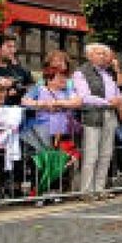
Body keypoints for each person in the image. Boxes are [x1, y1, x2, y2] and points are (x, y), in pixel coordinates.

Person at [73, 43, 122, 199]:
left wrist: (118, 100)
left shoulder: (108, 73)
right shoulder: (81, 72)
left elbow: (117, 92)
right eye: (98, 53)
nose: (102, 56)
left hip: (109, 115)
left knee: (106, 154)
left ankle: (99, 188)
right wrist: (109, 102)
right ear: (89, 55)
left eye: (104, 53)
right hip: (92, 116)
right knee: (91, 155)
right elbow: (84, 96)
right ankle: (86, 191)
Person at [22, 65, 83, 193]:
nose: (64, 80)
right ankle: (38, 191)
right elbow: (25, 101)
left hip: (62, 132)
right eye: (60, 78)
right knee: (42, 163)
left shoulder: (67, 91)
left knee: (60, 162)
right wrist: (43, 104)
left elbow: (77, 102)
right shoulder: (38, 89)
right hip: (43, 132)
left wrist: (57, 103)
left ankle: (55, 190)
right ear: (49, 79)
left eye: (65, 77)